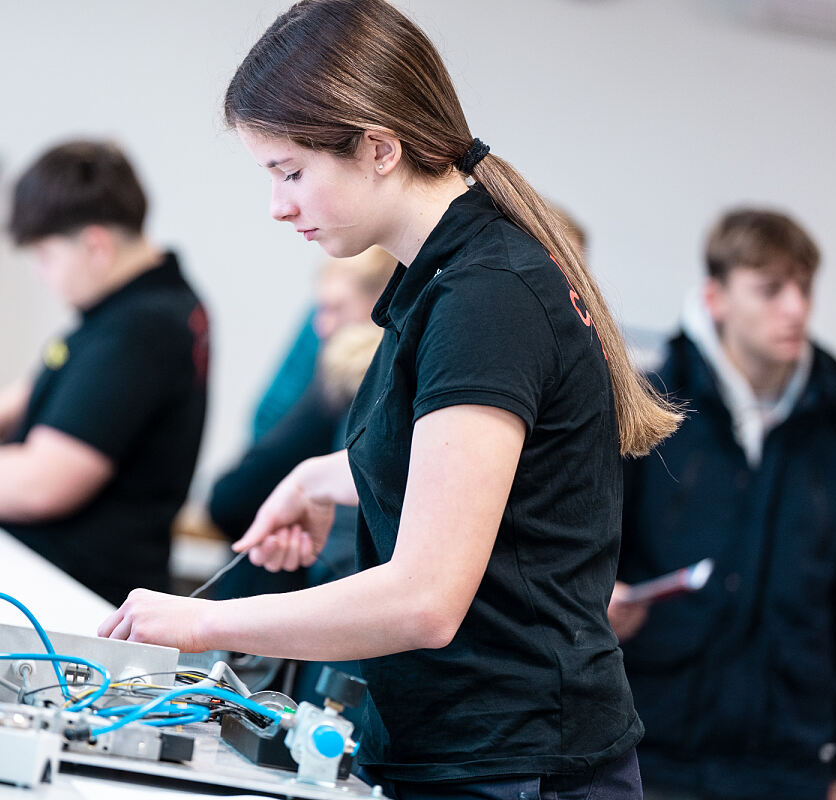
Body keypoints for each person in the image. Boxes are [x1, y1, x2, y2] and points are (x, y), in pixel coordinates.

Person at [98, 1, 681, 797]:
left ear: (379, 147)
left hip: (516, 765)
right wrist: (319, 478)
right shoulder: (450, 276)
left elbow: (425, 599)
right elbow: (468, 467)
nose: (278, 205)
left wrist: (201, 622)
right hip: (466, 752)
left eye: (290, 172)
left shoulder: (487, 298)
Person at [610, 209, 836, 800]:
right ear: (717, 297)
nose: (796, 308)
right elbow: (596, 558)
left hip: (788, 758)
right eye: (770, 289)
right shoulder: (651, 405)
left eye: (804, 287)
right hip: (651, 749)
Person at [0, 141, 210, 606]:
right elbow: (55, 384)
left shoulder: (141, 328)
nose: (40, 272)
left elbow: (42, 483)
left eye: (45, 255)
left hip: (75, 594)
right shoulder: (146, 299)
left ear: (96, 245)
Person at [250, 248, 394, 441]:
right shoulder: (335, 361)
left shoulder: (385, 369)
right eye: (322, 309)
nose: (321, 328)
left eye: (337, 308)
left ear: (381, 299)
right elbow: (272, 417)